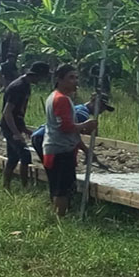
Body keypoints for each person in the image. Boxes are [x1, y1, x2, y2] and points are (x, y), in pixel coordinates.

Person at [42, 64, 98, 215]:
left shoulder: (56, 97)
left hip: (54, 148)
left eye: (76, 77)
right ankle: (60, 218)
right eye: (71, 77)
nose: (75, 81)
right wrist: (86, 125)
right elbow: (66, 127)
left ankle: (57, 215)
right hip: (60, 150)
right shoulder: (61, 99)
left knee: (58, 188)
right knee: (62, 190)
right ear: (60, 80)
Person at [0, 61, 50, 191]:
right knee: (25, 154)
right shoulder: (18, 87)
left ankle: (6, 186)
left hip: (15, 125)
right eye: (42, 77)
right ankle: (25, 187)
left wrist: (24, 129)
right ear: (37, 75)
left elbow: (19, 111)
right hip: (9, 126)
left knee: (13, 157)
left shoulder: (26, 85)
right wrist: (16, 132)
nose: (42, 80)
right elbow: (7, 112)